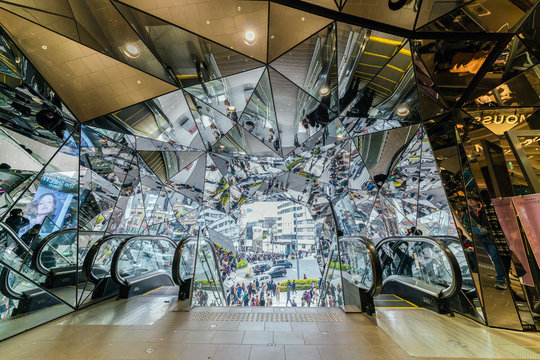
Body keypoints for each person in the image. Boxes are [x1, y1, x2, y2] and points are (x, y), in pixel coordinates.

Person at [462, 193, 507, 290]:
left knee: (495, 257)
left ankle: (501, 280)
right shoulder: (467, 213)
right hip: (480, 239)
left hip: (490, 237)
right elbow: (468, 226)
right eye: (468, 200)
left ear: (477, 200)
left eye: (472, 200)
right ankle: (501, 278)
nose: (470, 202)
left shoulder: (485, 209)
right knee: (491, 258)